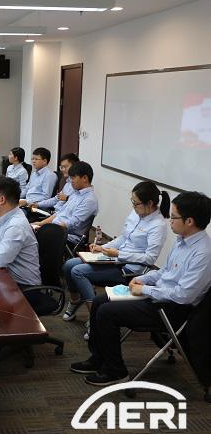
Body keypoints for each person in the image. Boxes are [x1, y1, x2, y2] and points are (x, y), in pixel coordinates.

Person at [71, 191, 211, 386]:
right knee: (100, 301)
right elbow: (164, 272)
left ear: (189, 221)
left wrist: (145, 290)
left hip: (172, 309)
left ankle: (115, 371)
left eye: (174, 217)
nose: (170, 221)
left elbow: (184, 295)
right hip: (159, 296)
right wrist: (142, 278)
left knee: (107, 312)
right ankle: (98, 358)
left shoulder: (203, 253)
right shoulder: (182, 241)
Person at [61, 181, 170, 336]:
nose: (133, 206)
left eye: (136, 203)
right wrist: (103, 248)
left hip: (129, 268)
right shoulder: (136, 213)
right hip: (114, 259)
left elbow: (149, 258)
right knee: (69, 265)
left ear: (150, 203)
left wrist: (118, 254)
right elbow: (123, 238)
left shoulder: (158, 225)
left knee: (78, 271)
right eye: (132, 202)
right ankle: (75, 300)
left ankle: (95, 319)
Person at [33, 161, 99, 245]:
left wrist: (46, 229)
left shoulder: (89, 200)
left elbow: (72, 224)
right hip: (55, 229)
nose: (71, 181)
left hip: (67, 237)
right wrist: (40, 224)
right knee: (30, 230)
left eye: (73, 178)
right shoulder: (75, 194)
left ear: (85, 178)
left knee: (33, 238)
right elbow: (59, 214)